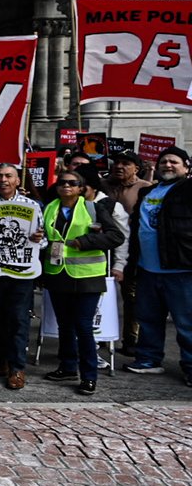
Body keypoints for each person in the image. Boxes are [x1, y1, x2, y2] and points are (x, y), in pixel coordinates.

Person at [41, 169, 125, 396]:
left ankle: (89, 376)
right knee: (64, 325)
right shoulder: (49, 208)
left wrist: (86, 241)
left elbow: (116, 236)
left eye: (72, 183)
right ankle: (68, 367)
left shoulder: (92, 208)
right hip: (58, 273)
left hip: (87, 276)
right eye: (62, 183)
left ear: (81, 188)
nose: (66, 186)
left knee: (83, 326)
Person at [125, 146, 192, 387]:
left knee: (187, 323)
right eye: (164, 161)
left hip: (181, 269)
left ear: (186, 166)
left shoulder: (188, 189)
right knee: (148, 317)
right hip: (147, 268)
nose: (168, 165)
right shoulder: (148, 192)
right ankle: (149, 359)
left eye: (174, 161)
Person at [0, 163, 45, 390]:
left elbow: (44, 239)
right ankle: (4, 357)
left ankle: (17, 368)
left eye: (9, 176)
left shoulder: (32, 205)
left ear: (18, 180)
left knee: (18, 318)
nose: (3, 180)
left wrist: (39, 239)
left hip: (22, 273)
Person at [103, 150, 151, 353]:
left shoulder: (146, 188)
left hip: (133, 248)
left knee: (131, 295)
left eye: (125, 164)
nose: (119, 166)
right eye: (116, 163)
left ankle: (131, 339)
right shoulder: (103, 185)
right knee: (102, 293)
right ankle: (102, 335)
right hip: (104, 247)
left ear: (136, 169)